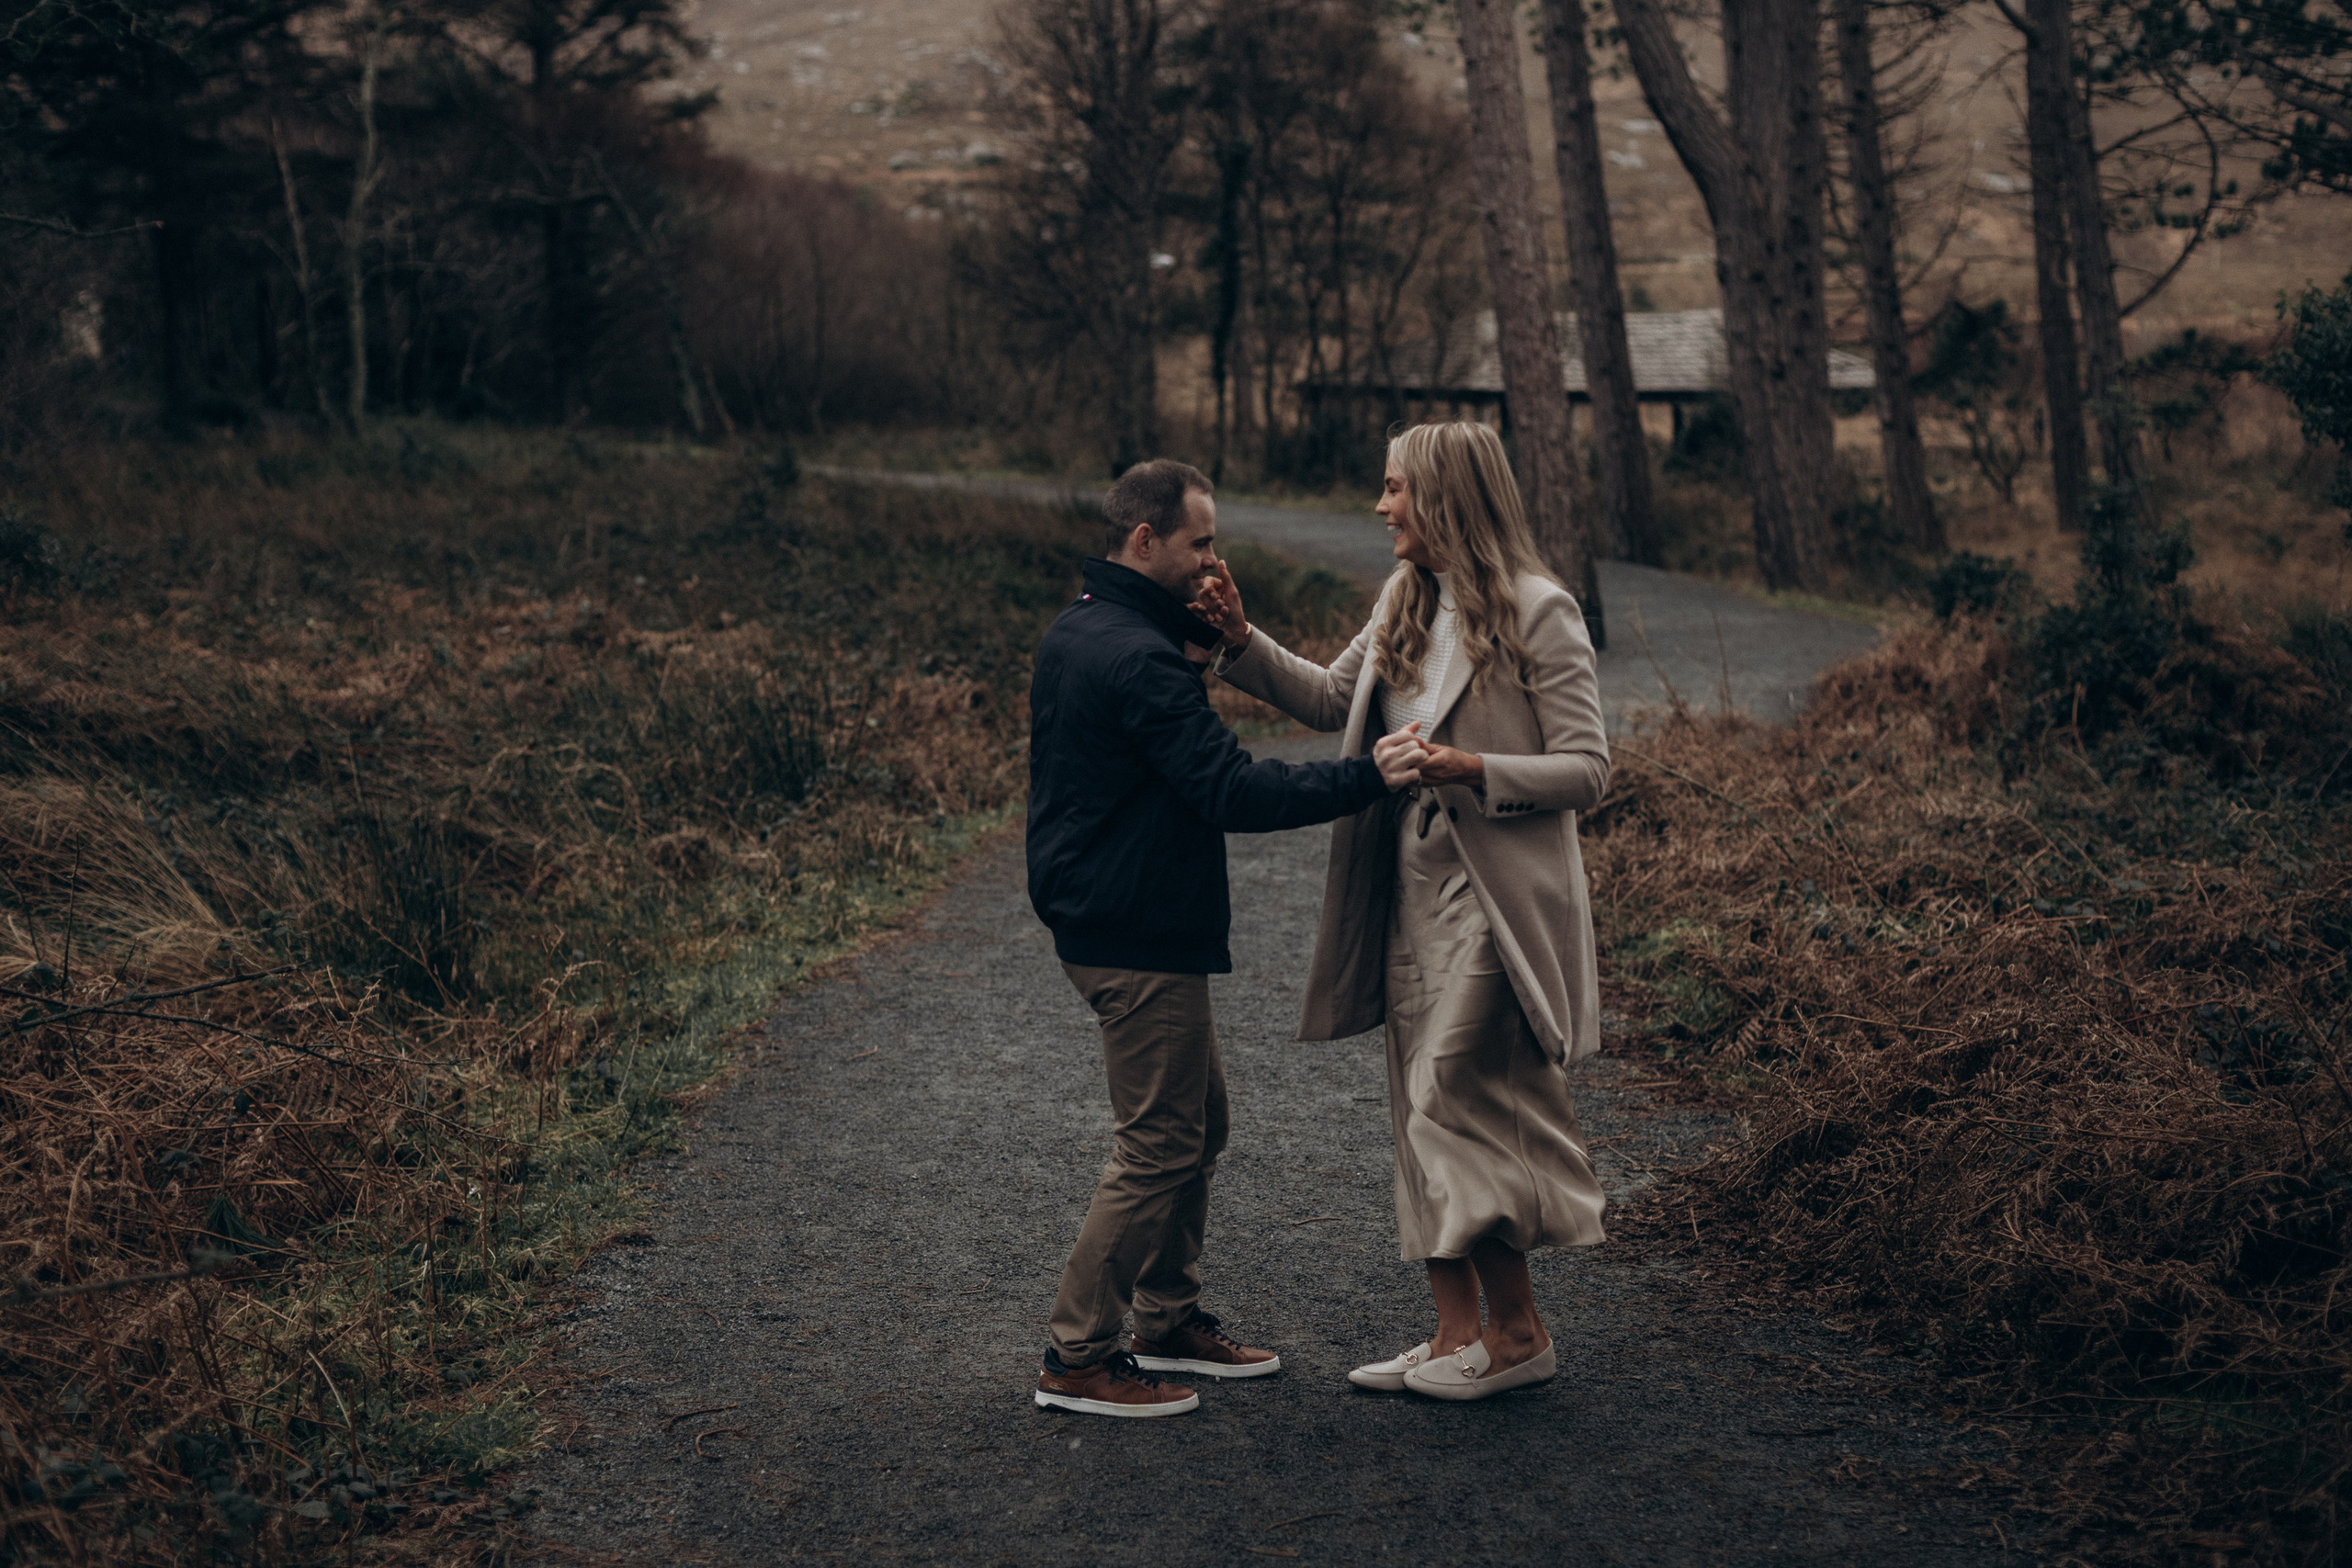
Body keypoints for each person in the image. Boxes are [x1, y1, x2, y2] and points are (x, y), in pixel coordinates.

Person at [1191, 421, 1610, 1402]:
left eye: (1394, 490)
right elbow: (1330, 698)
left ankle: (1518, 1336)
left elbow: (1589, 769)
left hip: (1495, 893)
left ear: (1446, 496)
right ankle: (1454, 1333)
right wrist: (1239, 643)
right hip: (1408, 887)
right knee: (1413, 1103)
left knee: (1449, 1098)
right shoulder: (1403, 597)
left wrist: (1473, 768)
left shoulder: (1542, 611)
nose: (1380, 508)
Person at [1026, 458, 1428, 1418]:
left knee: (1198, 1126)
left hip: (1119, 915)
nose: (1214, 558)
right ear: (1144, 543)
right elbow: (1230, 789)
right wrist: (1370, 774)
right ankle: (1077, 1354)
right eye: (1200, 542)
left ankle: (1166, 1319)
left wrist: (1215, 642)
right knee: (1161, 1142)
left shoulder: (1095, 628)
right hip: (1133, 930)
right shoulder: (1133, 656)